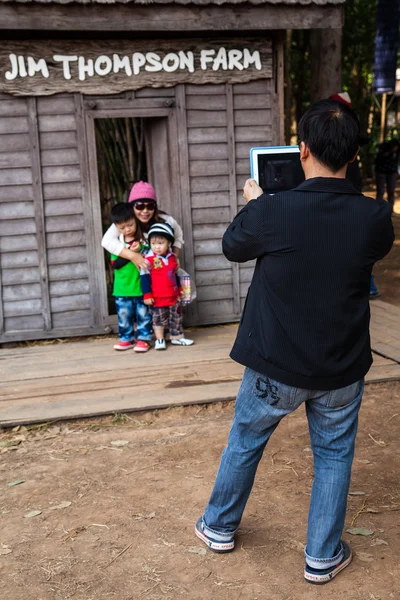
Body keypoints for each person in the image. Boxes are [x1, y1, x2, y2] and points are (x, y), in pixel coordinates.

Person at [195, 100, 394, 584]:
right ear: (354, 155)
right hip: (340, 367)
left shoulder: (272, 210)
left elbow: (232, 247)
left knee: (245, 440)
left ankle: (219, 527)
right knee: (333, 455)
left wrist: (257, 203)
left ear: (301, 150)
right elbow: (357, 247)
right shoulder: (374, 217)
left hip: (274, 362)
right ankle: (322, 556)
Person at [330, 92, 380, 299]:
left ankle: (369, 285)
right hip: (347, 192)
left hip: (347, 191)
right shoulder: (346, 129)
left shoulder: (345, 129)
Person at [101, 181, 184, 272]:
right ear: (132, 207)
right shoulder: (126, 222)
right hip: (138, 277)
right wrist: (133, 256)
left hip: (164, 271)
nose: (145, 211)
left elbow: (178, 234)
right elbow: (106, 241)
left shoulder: (165, 220)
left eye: (150, 206)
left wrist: (174, 256)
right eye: (139, 206)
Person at [140, 223, 194, 350]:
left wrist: (180, 289)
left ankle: (177, 337)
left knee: (176, 317)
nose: (156, 247)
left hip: (173, 296)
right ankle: (160, 340)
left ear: (169, 243)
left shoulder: (172, 258)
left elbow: (174, 276)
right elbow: (144, 278)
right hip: (158, 297)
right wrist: (147, 294)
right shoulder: (149, 260)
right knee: (159, 318)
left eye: (160, 243)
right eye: (153, 243)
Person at [107, 203, 152, 352]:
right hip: (122, 288)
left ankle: (144, 338)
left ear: (135, 220)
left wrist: (141, 250)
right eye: (122, 227)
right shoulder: (117, 244)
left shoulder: (144, 240)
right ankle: (126, 338)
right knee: (124, 316)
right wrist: (131, 253)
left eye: (130, 225)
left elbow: (150, 261)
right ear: (116, 227)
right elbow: (116, 264)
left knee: (143, 315)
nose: (127, 229)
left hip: (140, 287)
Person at [375, 139, 400, 213]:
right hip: (381, 171)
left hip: (392, 172)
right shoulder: (382, 149)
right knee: (381, 191)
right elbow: (377, 160)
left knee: (391, 191)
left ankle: (390, 210)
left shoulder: (398, 151)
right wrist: (387, 154)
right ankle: (378, 210)